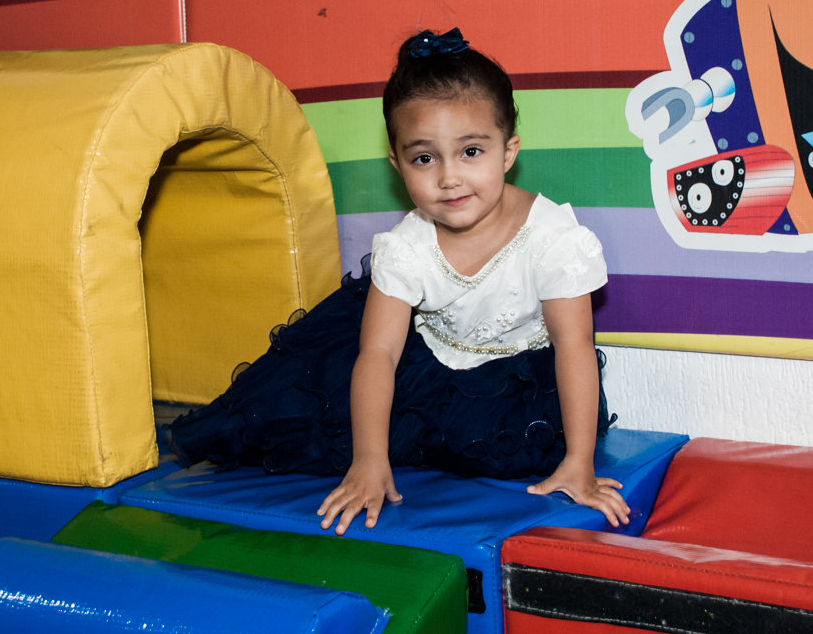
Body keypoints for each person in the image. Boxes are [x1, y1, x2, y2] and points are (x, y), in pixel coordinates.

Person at [168, 27, 629, 534]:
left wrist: (580, 464)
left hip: (513, 380)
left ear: (508, 151)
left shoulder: (552, 238)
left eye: (471, 151)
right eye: (425, 158)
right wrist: (368, 459)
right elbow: (379, 354)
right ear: (398, 165)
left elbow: (574, 347)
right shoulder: (407, 247)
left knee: (521, 447)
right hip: (423, 361)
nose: (449, 177)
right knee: (305, 408)